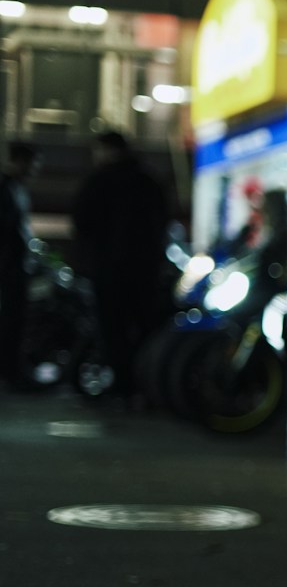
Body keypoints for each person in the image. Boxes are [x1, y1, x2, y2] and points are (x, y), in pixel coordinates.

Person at [71, 130, 171, 397]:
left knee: (112, 330)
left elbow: (82, 222)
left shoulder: (98, 181)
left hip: (108, 272)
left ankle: (123, 387)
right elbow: (162, 222)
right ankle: (147, 388)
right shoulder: (147, 181)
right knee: (144, 327)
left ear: (105, 150)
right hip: (144, 271)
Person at [0, 140, 42, 392]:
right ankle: (10, 372)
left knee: (14, 322)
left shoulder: (14, 189)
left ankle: (11, 371)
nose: (35, 169)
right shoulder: (8, 190)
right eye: (32, 163)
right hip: (9, 269)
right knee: (11, 322)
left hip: (13, 268)